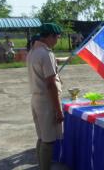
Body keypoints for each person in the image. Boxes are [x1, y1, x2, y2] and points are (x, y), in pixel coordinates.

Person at [26, 23, 65, 170]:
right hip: (47, 101)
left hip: (36, 99)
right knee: (48, 141)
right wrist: (58, 110)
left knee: (42, 137)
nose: (57, 40)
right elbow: (50, 84)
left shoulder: (33, 52)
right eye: (57, 37)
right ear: (50, 36)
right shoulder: (46, 53)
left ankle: (41, 165)